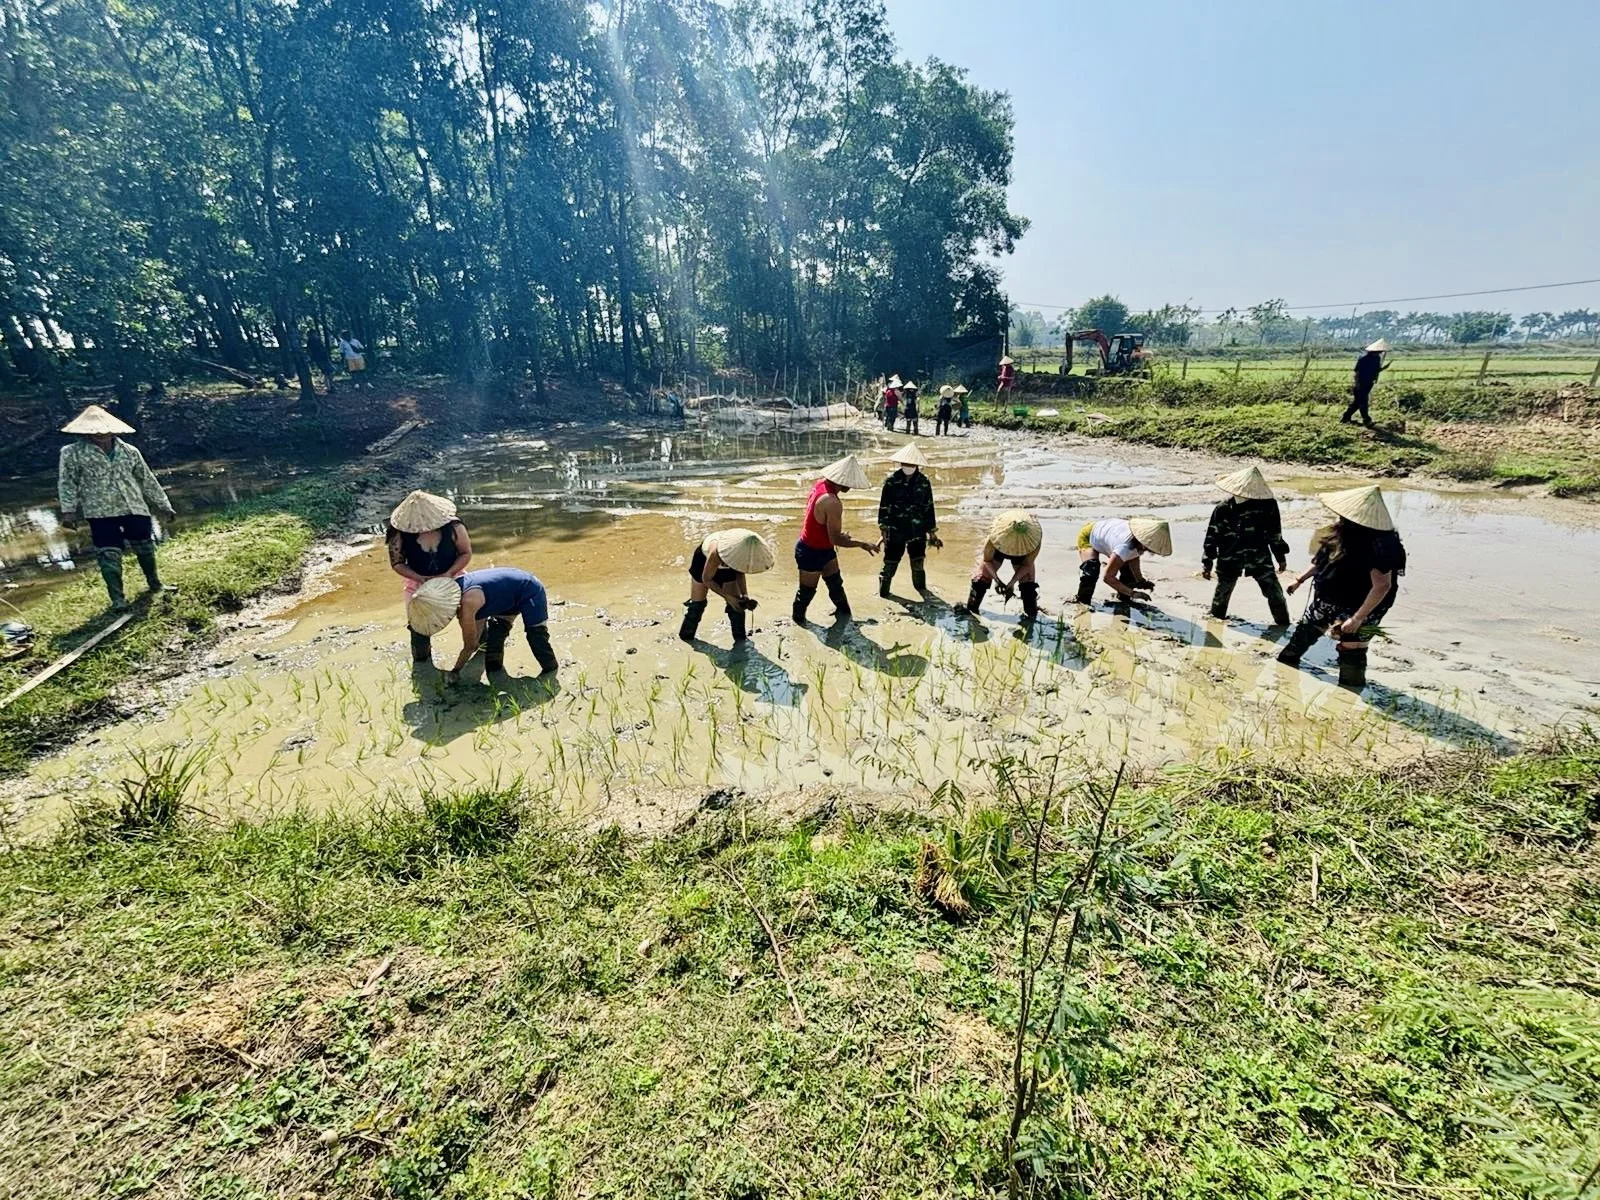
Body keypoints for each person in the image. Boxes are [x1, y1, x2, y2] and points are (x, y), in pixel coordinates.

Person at [1278, 485, 1405, 690]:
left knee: (1352, 647)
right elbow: (1320, 561)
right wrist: (1299, 580)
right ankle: (1286, 669)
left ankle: (1350, 689)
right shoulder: (1340, 532)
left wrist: (1357, 618)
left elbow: (1382, 586)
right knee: (1305, 633)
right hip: (1329, 597)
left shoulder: (1382, 544)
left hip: (1363, 605)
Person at [56, 405, 174, 612]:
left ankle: (155, 584)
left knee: (145, 547)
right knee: (108, 554)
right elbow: (67, 482)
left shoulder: (129, 451)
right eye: (94, 431)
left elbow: (147, 480)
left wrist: (164, 505)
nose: (101, 434)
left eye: (104, 430)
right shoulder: (72, 453)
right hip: (100, 512)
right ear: (85, 432)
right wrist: (69, 511)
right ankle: (118, 599)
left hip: (133, 507)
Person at [408, 567, 559, 680]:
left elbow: (470, 646)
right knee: (494, 643)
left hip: (529, 590)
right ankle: (497, 676)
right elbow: (475, 635)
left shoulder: (468, 602)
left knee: (536, 636)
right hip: (505, 600)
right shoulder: (457, 590)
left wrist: (455, 671)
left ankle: (551, 672)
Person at [387, 490, 473, 662]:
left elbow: (465, 553)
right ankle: (421, 659)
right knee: (418, 626)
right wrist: (418, 577)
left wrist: (449, 573)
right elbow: (397, 563)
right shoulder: (399, 532)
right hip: (418, 582)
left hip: (453, 576)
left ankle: (479, 644)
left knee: (470, 611)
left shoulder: (454, 527)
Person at [793, 455, 878, 624]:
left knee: (835, 583)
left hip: (824, 548)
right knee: (806, 592)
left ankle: (845, 615)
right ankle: (798, 622)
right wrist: (862, 544)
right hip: (810, 551)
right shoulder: (832, 502)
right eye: (850, 482)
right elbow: (836, 539)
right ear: (843, 480)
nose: (851, 486)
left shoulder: (820, 484)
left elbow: (823, 527)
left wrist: (837, 535)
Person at [1202, 466, 1291, 626]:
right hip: (1229, 557)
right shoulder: (1223, 509)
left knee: (1274, 593)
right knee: (1222, 593)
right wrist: (1207, 562)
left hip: (1259, 557)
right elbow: (1212, 536)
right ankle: (1215, 624)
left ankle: (1284, 626)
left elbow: (1275, 533)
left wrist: (1280, 557)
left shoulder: (1268, 506)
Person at [680, 528, 774, 644]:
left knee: (737, 605)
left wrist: (744, 595)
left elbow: (739, 572)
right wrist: (727, 597)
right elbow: (706, 579)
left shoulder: (742, 553)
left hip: (726, 569)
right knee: (698, 604)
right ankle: (686, 637)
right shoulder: (716, 553)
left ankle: (740, 639)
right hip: (703, 562)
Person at [876, 444, 942, 598]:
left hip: (917, 531)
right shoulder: (891, 481)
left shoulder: (924, 482)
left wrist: (932, 533)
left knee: (918, 561)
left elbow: (929, 508)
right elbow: (884, 507)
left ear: (917, 464)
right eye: (905, 464)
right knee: (890, 562)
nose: (908, 466)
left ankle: (921, 590)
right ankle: (883, 593)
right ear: (900, 463)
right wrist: (883, 530)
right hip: (896, 529)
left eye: (911, 464)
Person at [1075, 516, 1171, 604]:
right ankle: (1082, 602)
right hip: (1089, 535)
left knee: (1129, 573)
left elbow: (1133, 557)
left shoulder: (1138, 541)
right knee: (1091, 570)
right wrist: (1133, 593)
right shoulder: (1123, 548)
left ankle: (1124, 599)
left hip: (1108, 533)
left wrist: (1140, 580)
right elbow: (1108, 577)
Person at [967, 509, 1043, 618]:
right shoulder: (994, 538)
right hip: (999, 549)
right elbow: (987, 561)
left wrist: (1012, 583)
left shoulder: (1034, 542)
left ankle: (1031, 615)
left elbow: (1027, 565)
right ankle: (971, 610)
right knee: (981, 579)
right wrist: (997, 580)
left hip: (1023, 553)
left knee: (1028, 585)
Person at [1343, 339, 1388, 427]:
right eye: (1379, 352)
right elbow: (1357, 372)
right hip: (1361, 383)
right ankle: (1367, 420)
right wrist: (1357, 383)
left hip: (1369, 383)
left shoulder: (1377, 359)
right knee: (1363, 401)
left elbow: (1376, 370)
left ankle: (1346, 417)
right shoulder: (1363, 359)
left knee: (1357, 402)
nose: (1379, 353)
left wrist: (1383, 368)